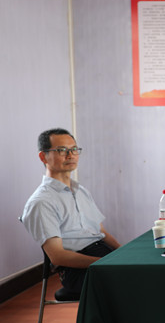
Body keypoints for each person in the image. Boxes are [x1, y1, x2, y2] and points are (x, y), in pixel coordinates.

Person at [21, 128, 121, 299]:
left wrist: (124, 254)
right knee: (133, 281)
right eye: (62, 150)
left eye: (74, 149)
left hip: (102, 254)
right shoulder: (41, 202)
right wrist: (105, 264)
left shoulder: (81, 191)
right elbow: (57, 256)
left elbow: (102, 232)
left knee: (146, 271)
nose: (71, 155)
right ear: (43, 157)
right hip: (76, 269)